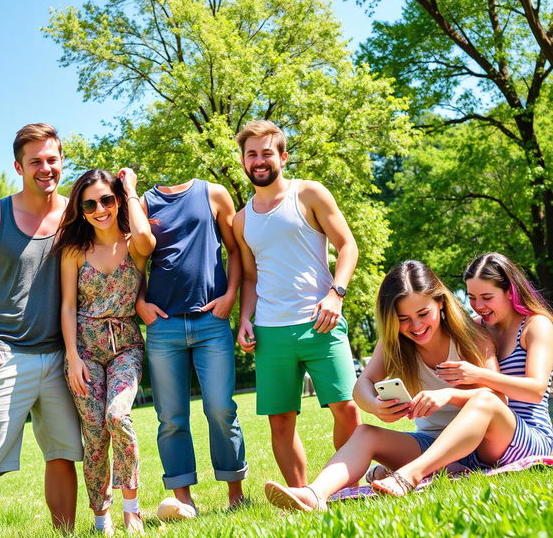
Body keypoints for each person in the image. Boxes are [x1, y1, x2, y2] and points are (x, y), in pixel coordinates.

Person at [264, 260, 498, 510]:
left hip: (487, 443)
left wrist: (448, 395)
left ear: (440, 303)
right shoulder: (394, 344)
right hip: (431, 446)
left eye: (423, 314)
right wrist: (375, 405)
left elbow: (497, 399)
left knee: (484, 400)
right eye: (403, 319)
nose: (416, 326)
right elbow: (361, 385)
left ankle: (411, 475)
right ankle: (314, 495)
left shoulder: (471, 336)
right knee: (365, 433)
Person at [0, 123, 83, 538]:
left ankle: (65, 533)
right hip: (6, 356)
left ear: (61, 161)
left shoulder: (75, 215)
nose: (45, 168)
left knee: (63, 456)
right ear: (18, 166)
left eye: (52, 159)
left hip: (62, 358)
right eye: (35, 162)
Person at [233, 120, 361, 488]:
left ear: (283, 157)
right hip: (270, 332)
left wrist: (336, 294)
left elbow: (348, 245)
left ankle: (349, 486)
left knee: (346, 408)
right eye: (251, 154)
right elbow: (251, 277)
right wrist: (245, 319)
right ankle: (301, 496)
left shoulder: (309, 194)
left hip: (321, 321)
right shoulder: (242, 220)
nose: (259, 160)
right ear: (243, 161)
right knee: (280, 420)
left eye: (266, 152)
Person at [367, 252, 553, 496]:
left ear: (510, 291)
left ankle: (409, 474)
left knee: (484, 399)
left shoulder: (536, 326)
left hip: (529, 437)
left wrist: (478, 375)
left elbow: (536, 390)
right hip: (484, 445)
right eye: (473, 297)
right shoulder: (478, 327)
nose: (478, 306)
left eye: (487, 297)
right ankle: (410, 469)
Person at [135, 177, 248, 519]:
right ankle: (183, 501)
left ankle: (236, 494)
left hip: (211, 321)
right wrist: (140, 302)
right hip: (163, 326)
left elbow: (235, 250)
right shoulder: (144, 203)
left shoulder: (213, 193)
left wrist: (230, 295)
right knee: (171, 418)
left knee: (220, 409)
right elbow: (136, 261)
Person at [55, 168, 155, 534]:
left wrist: (130, 189)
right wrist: (72, 358)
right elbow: (67, 306)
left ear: (117, 200)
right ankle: (101, 517)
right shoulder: (74, 251)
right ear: (80, 210)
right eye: (90, 204)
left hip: (125, 344)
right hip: (85, 350)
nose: (100, 209)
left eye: (107, 200)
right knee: (94, 433)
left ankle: (132, 508)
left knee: (117, 417)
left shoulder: (135, 244)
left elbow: (146, 238)